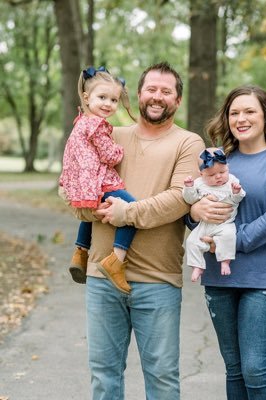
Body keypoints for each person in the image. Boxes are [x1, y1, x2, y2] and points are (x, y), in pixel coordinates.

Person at [60, 62, 204, 400]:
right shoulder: (109, 133)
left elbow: (178, 201)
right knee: (104, 376)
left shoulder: (188, 143)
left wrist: (127, 213)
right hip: (101, 277)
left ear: (177, 100)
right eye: (151, 89)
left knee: (163, 379)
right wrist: (82, 205)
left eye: (166, 91)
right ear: (138, 94)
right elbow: (72, 181)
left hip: (158, 279)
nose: (157, 96)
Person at [188, 84, 266, 400]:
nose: (240, 119)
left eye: (249, 111)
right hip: (220, 278)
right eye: (234, 113)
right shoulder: (219, 160)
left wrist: (234, 242)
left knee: (257, 371)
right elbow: (199, 208)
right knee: (235, 370)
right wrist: (193, 211)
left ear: (265, 115)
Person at [59, 66, 137, 294]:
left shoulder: (81, 121)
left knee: (92, 213)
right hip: (99, 181)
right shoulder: (97, 125)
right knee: (130, 210)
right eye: (102, 97)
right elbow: (109, 155)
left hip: (82, 184)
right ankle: (116, 260)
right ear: (86, 97)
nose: (108, 104)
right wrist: (120, 150)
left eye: (113, 100)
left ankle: (80, 252)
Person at [182, 147, 245, 282]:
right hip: (205, 224)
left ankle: (225, 261)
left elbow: (237, 200)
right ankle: (197, 266)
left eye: (222, 172)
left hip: (225, 223)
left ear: (228, 167)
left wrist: (236, 192)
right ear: (201, 174)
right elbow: (190, 199)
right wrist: (188, 187)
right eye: (211, 175)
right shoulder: (198, 184)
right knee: (191, 241)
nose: (218, 176)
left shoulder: (231, 181)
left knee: (228, 237)